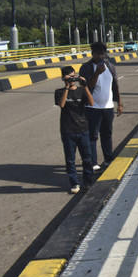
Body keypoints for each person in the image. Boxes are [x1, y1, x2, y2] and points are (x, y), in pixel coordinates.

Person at [80, 42, 123, 170]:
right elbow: (87, 87)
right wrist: (97, 73)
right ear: (92, 54)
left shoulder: (110, 66)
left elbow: (115, 86)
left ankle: (108, 159)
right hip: (92, 108)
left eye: (103, 54)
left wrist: (119, 103)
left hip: (108, 107)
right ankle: (93, 163)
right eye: (98, 53)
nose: (101, 56)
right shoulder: (86, 67)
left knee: (107, 134)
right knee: (92, 136)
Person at [54, 66, 95, 194]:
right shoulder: (59, 92)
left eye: (73, 76)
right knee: (70, 159)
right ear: (63, 78)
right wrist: (67, 87)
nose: (72, 79)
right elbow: (61, 105)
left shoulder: (82, 90)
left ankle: (88, 181)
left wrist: (86, 86)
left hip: (83, 129)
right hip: (68, 130)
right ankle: (74, 183)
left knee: (87, 158)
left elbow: (92, 103)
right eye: (68, 77)